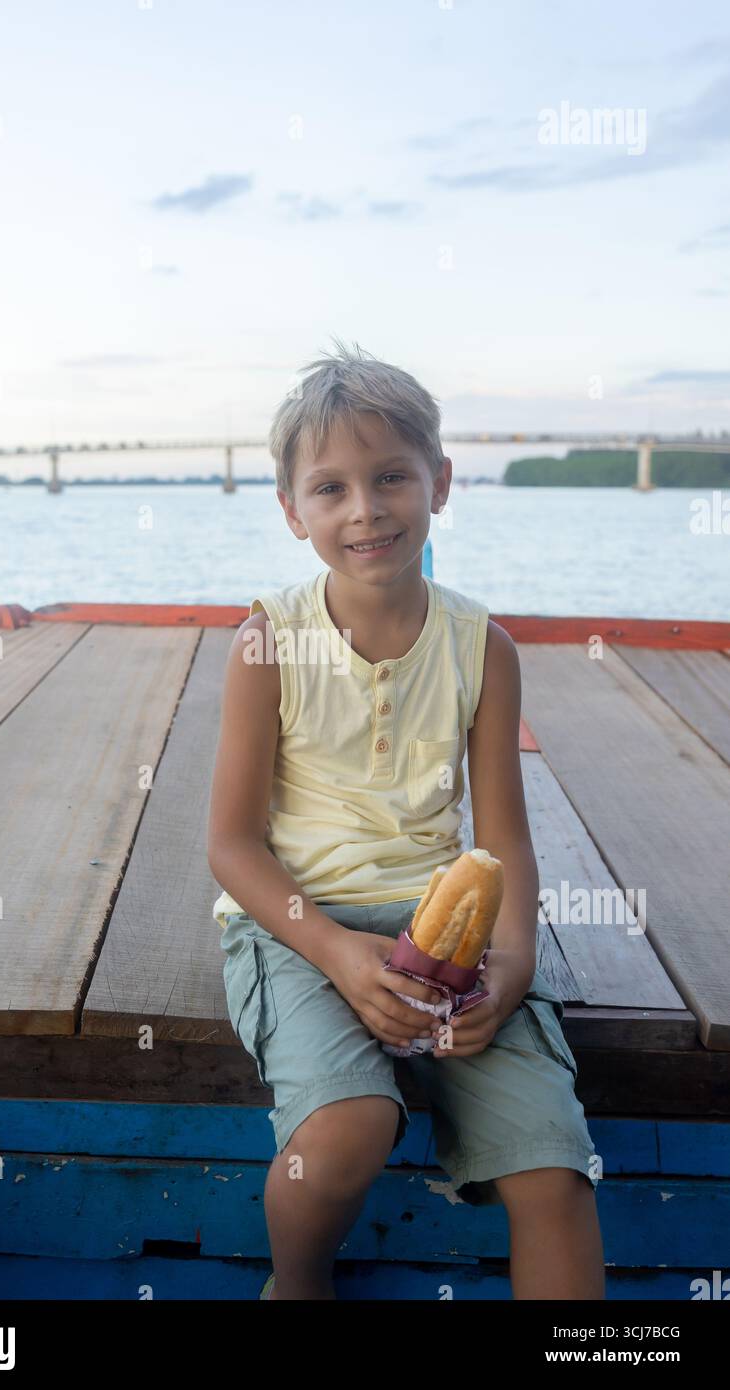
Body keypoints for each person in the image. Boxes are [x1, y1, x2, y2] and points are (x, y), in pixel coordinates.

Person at [206, 338, 604, 1301]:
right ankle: (296, 1285)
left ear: (441, 482)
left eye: (391, 477)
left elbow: (501, 839)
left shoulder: (484, 649)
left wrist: (508, 972)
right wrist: (339, 951)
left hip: (448, 927)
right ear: (292, 512)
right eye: (331, 488)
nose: (366, 509)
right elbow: (231, 844)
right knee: (350, 1129)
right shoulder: (269, 644)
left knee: (553, 1172)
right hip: (299, 927)